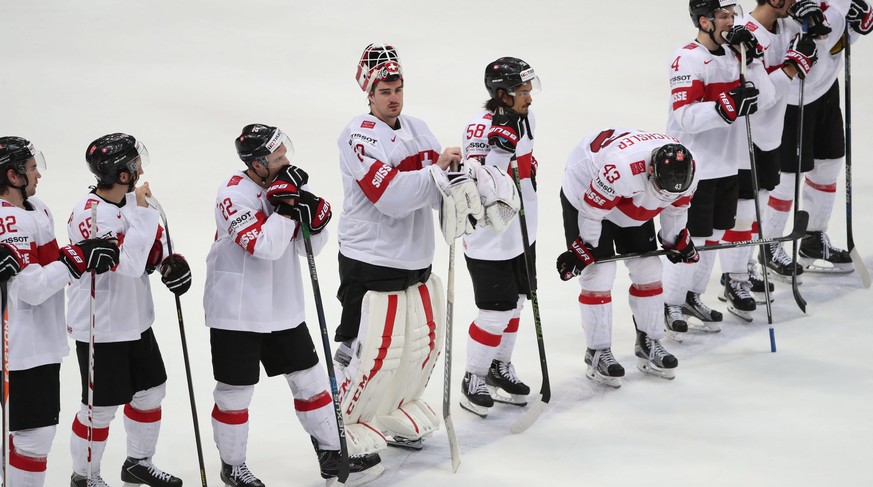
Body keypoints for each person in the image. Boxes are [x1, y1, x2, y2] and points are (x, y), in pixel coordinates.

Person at [204, 123, 381, 487]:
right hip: (238, 311)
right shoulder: (234, 193)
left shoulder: (282, 186)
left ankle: (333, 454)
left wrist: (314, 223)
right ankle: (233, 466)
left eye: (285, 153)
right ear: (256, 163)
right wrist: (286, 208)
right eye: (278, 157)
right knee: (235, 393)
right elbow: (263, 247)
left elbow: (307, 249)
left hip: (282, 306)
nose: (286, 161)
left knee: (311, 382)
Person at [333, 43, 485, 458]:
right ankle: (339, 428)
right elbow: (391, 197)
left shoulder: (417, 127)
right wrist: (437, 172)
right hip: (371, 260)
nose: (393, 97)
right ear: (368, 92)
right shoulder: (358, 136)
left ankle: (395, 411)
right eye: (384, 90)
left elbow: (437, 188)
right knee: (367, 352)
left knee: (415, 348)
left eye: (397, 88)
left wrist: (460, 181)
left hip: (416, 259)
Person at [66, 133, 191, 487]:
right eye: (135, 162)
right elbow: (131, 263)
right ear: (122, 174)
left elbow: (154, 252)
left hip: (136, 320)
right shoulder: (89, 214)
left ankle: (138, 462)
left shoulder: (136, 205)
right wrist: (142, 213)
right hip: (100, 326)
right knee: (100, 409)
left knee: (151, 391)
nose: (140, 167)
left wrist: (171, 264)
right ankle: (85, 477)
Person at [0, 136, 118, 487]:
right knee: (32, 438)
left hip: (42, 343)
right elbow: (30, 289)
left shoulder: (39, 209)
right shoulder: (7, 220)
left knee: (32, 436)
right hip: (19, 349)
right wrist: (76, 259)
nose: (39, 175)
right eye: (32, 168)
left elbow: (53, 270)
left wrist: (76, 258)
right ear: (13, 175)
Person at [663, 0, 777, 327]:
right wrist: (724, 106)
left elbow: (765, 99)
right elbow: (685, 117)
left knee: (713, 236)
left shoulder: (735, 55)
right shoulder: (686, 58)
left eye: (732, 15)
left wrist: (753, 61)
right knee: (691, 239)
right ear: (704, 21)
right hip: (694, 166)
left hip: (729, 162)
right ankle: (669, 303)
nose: (730, 22)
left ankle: (691, 296)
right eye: (723, 16)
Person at [558, 129, 699, 385]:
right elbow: (591, 210)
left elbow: (676, 209)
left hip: (632, 193)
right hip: (586, 191)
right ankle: (598, 351)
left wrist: (675, 241)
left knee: (649, 269)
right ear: (652, 171)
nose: (665, 195)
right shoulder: (622, 168)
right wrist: (585, 248)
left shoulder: (690, 170)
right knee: (599, 273)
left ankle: (649, 342)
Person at [762, 0, 871, 276]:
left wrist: (858, 27)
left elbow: (836, 42)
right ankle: (769, 245)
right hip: (791, 97)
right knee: (787, 176)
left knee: (829, 163)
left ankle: (813, 239)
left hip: (825, 89)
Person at [720, 0, 819, 301]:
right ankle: (732, 279)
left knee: (758, 210)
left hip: (771, 134)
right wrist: (791, 67)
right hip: (743, 136)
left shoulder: (788, 25)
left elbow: (820, 46)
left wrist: (814, 21)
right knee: (742, 213)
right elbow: (760, 96)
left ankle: (743, 266)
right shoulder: (744, 35)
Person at [458, 56, 538, 417]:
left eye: (530, 89)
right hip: (490, 236)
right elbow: (482, 187)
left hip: (524, 231)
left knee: (517, 302)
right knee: (494, 312)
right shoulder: (478, 129)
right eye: (523, 91)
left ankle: (498, 366)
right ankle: (472, 376)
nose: (530, 97)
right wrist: (500, 154)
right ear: (502, 94)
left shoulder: (527, 119)